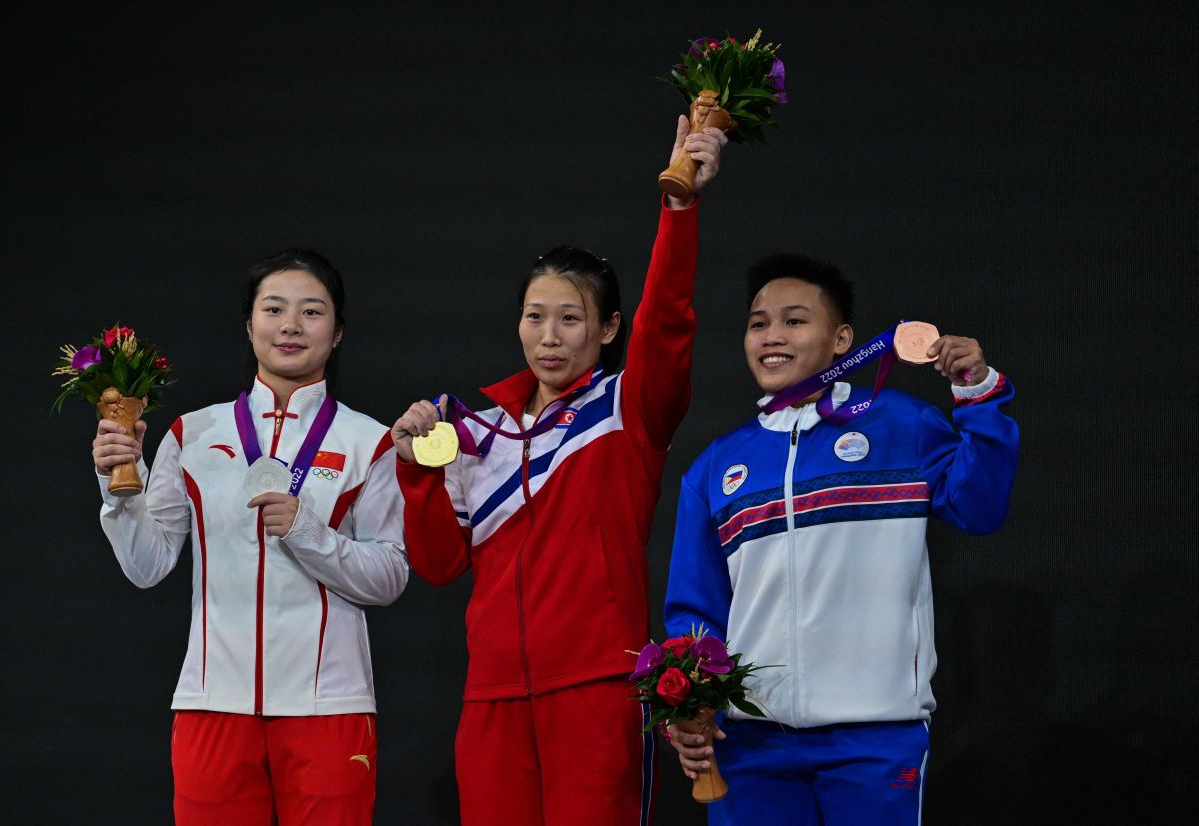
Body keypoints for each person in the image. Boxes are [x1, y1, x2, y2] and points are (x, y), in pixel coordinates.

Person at [390, 118, 727, 825]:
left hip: (598, 690)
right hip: (491, 703)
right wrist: (417, 469)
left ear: (606, 330)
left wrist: (681, 207)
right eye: (535, 316)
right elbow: (440, 564)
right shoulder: (471, 432)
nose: (549, 336)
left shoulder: (627, 411)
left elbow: (666, 320)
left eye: (570, 319)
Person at [663, 254, 1019, 825]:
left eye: (795, 320)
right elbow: (696, 611)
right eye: (759, 323)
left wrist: (978, 393)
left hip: (876, 738)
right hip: (750, 747)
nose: (772, 336)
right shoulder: (715, 467)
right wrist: (687, 708)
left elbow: (980, 508)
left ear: (842, 338)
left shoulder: (902, 425)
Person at [91, 249, 409, 825]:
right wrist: (117, 489)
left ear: (337, 333)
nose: (290, 325)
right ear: (249, 324)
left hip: (329, 707)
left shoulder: (372, 441)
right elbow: (148, 565)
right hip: (212, 703)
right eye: (274, 309)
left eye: (312, 312)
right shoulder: (193, 432)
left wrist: (309, 532)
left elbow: (390, 577)